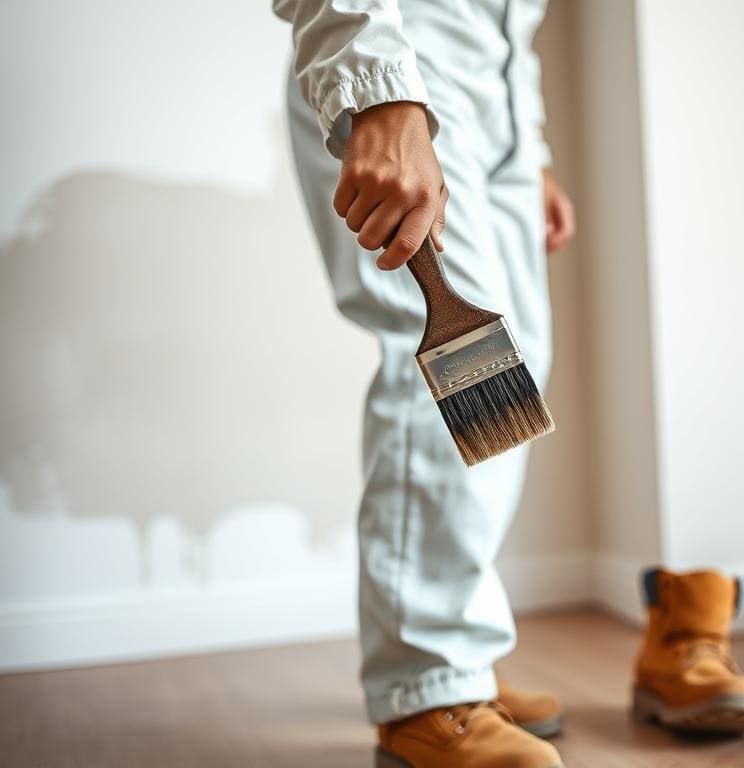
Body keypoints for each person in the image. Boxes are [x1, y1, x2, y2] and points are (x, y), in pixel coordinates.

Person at [273, 1, 575, 766]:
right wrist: (374, 88)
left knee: (513, 367)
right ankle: (428, 689)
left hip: (491, 91)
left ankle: (459, 659)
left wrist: (527, 145)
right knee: (453, 366)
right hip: (402, 59)